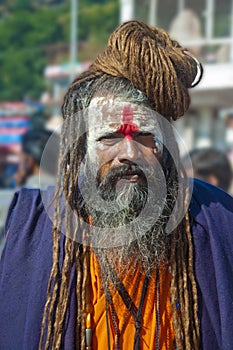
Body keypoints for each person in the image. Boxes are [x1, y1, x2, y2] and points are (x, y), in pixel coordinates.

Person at [0, 20, 233, 350]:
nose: (129, 153)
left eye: (144, 136)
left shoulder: (217, 222)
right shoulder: (33, 226)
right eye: (109, 138)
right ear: (82, 150)